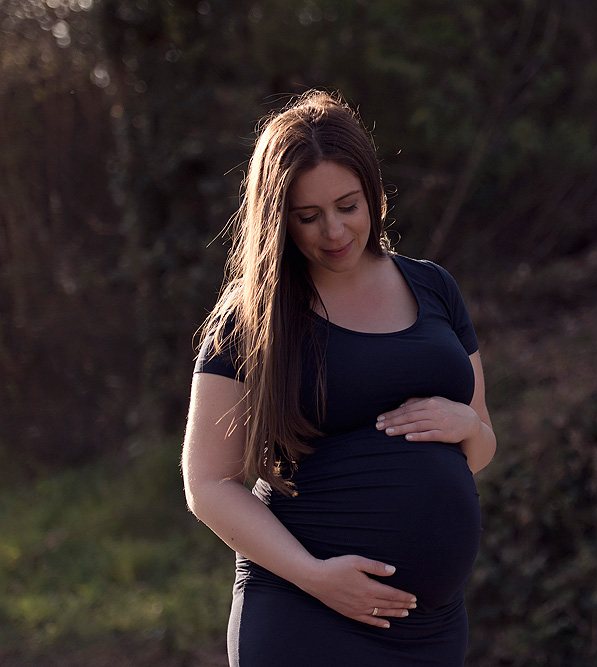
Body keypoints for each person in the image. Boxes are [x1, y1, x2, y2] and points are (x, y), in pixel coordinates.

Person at [181, 90, 496, 666]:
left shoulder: (433, 288)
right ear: (277, 219)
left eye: (348, 206)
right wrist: (316, 576)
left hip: (429, 628)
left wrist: (467, 423)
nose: (333, 231)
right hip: (305, 612)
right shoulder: (250, 318)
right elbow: (207, 483)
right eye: (308, 216)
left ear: (374, 193)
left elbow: (482, 446)